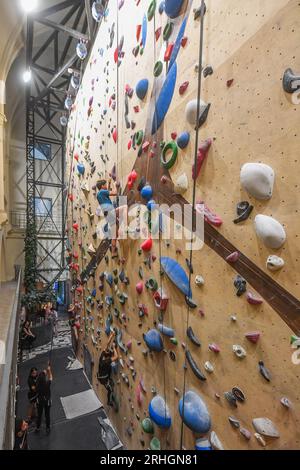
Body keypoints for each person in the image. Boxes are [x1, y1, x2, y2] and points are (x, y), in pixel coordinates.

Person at [96, 179, 123, 255]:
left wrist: (109, 182)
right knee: (125, 208)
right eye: (105, 184)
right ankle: (124, 229)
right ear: (102, 186)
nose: (106, 186)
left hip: (107, 214)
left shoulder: (99, 194)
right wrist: (114, 185)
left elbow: (106, 193)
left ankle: (113, 253)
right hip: (110, 211)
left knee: (114, 233)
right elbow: (114, 193)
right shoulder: (102, 192)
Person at [97, 331, 118, 406]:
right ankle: (109, 401)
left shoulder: (102, 355)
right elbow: (116, 357)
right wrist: (114, 348)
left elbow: (106, 344)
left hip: (101, 374)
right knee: (110, 389)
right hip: (103, 379)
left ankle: (109, 379)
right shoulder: (106, 361)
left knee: (108, 370)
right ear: (107, 357)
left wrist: (111, 335)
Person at [35, 363, 53, 434]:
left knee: (39, 415)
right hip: (47, 401)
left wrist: (45, 371)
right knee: (47, 415)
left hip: (40, 401)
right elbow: (51, 377)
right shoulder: (47, 384)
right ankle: (48, 428)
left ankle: (38, 428)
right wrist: (49, 370)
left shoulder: (37, 385)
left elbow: (42, 376)